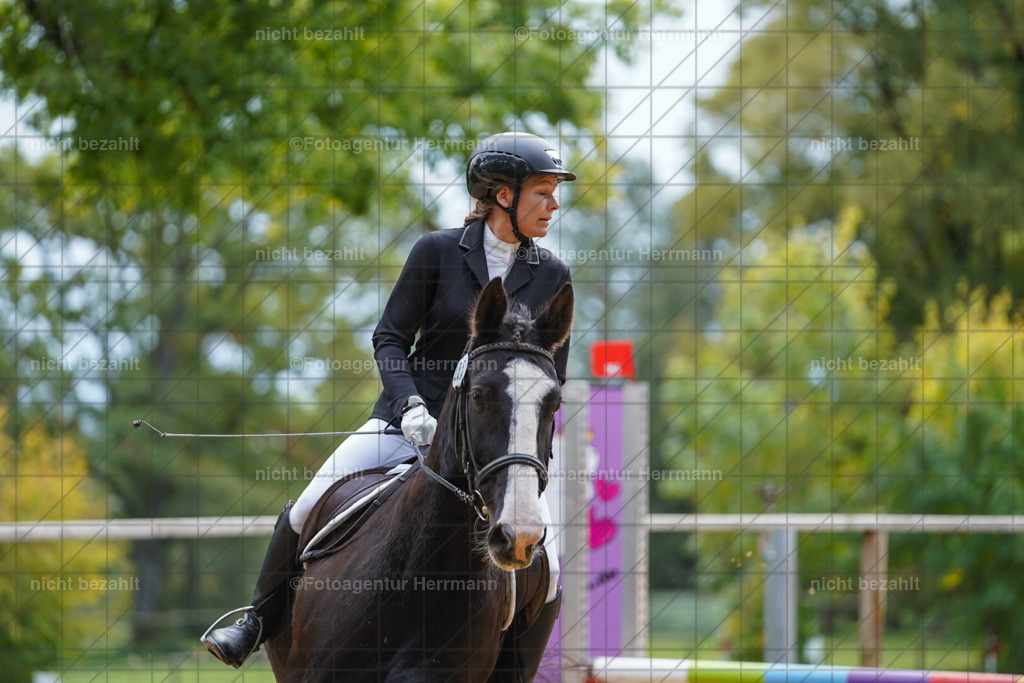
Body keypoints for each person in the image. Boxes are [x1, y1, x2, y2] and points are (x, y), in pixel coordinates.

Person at [201, 132, 575, 668]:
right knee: (310, 502)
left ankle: (513, 671)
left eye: (555, 192)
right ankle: (256, 620)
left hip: (499, 447)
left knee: (552, 566)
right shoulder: (437, 252)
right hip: (410, 421)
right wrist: (408, 407)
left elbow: (548, 384)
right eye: (542, 192)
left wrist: (534, 464)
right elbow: (390, 338)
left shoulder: (552, 276)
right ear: (502, 196)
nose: (553, 204)